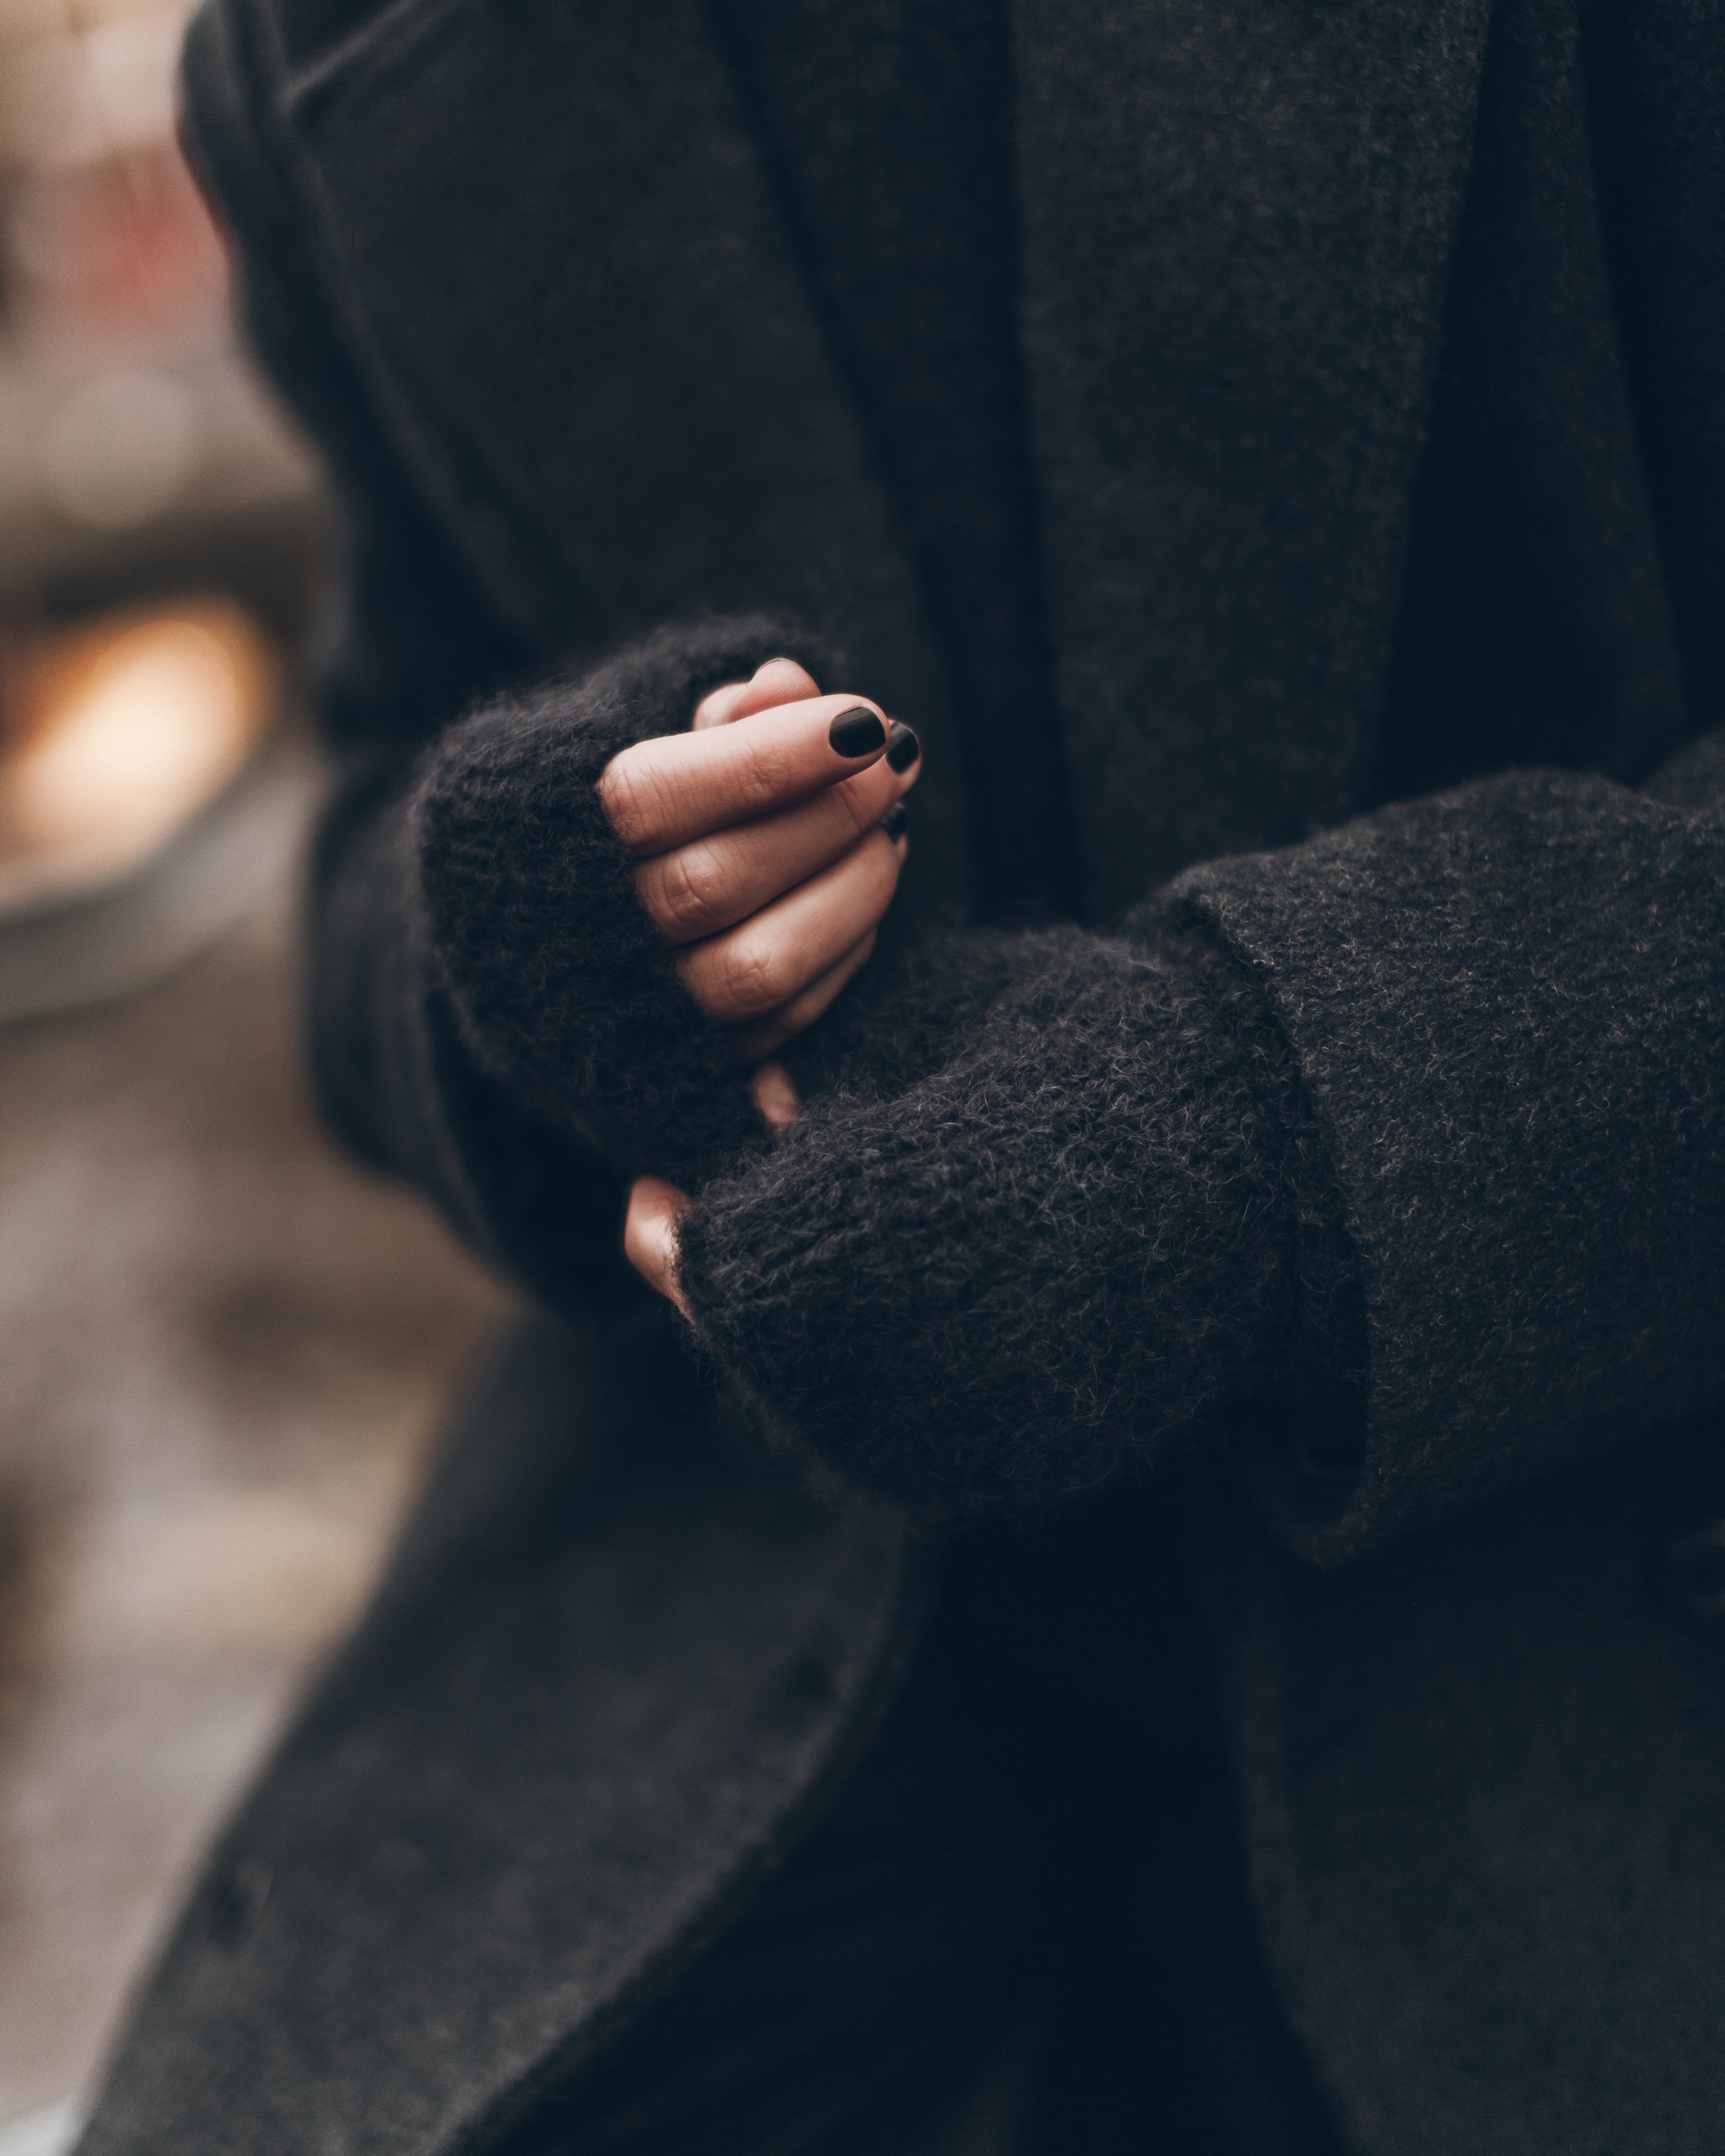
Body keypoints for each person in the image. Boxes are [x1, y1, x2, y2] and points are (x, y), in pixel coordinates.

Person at [76, 1, 1724, 2151]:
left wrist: (1288, 1131)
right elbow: (370, 797)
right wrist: (531, 938)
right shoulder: (306, 51)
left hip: (1608, 1573)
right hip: (758, 1627)